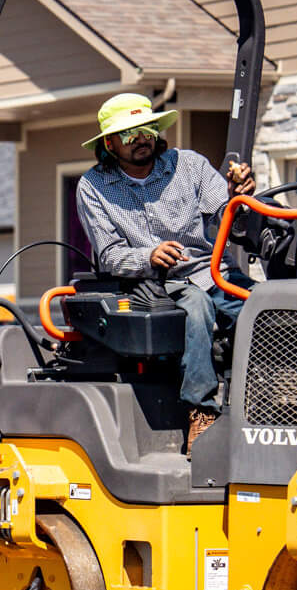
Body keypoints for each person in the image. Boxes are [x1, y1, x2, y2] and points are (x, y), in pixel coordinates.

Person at [73, 92, 257, 446]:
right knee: (197, 307)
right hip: (153, 284)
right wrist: (148, 256)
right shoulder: (93, 187)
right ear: (109, 144)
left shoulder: (190, 166)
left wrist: (238, 197)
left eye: (147, 129)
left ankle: (267, 401)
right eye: (129, 134)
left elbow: (230, 220)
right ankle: (201, 414)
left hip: (212, 270)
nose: (141, 139)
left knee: (263, 305)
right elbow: (110, 255)